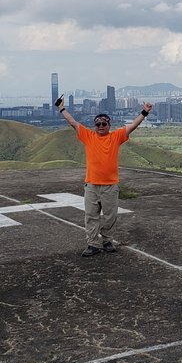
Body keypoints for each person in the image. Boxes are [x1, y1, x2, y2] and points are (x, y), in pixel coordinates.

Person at [56, 96, 153, 256]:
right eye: (98, 124)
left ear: (109, 125)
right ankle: (92, 244)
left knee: (110, 216)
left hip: (110, 185)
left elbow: (133, 125)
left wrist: (144, 112)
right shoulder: (88, 136)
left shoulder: (115, 137)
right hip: (92, 185)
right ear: (95, 125)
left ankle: (107, 241)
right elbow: (72, 122)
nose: (100, 126)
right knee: (91, 216)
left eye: (104, 124)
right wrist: (61, 108)